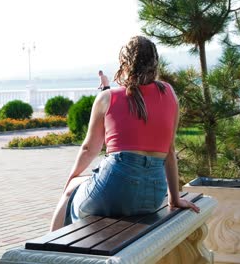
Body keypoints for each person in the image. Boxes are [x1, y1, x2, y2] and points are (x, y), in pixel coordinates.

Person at [50, 36, 200, 232]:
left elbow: (89, 148)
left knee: (71, 191)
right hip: (153, 195)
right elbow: (170, 152)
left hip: (115, 186)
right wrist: (174, 198)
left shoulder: (107, 98)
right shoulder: (169, 93)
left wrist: (72, 177)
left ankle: (46, 251)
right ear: (154, 62)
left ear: (124, 63)